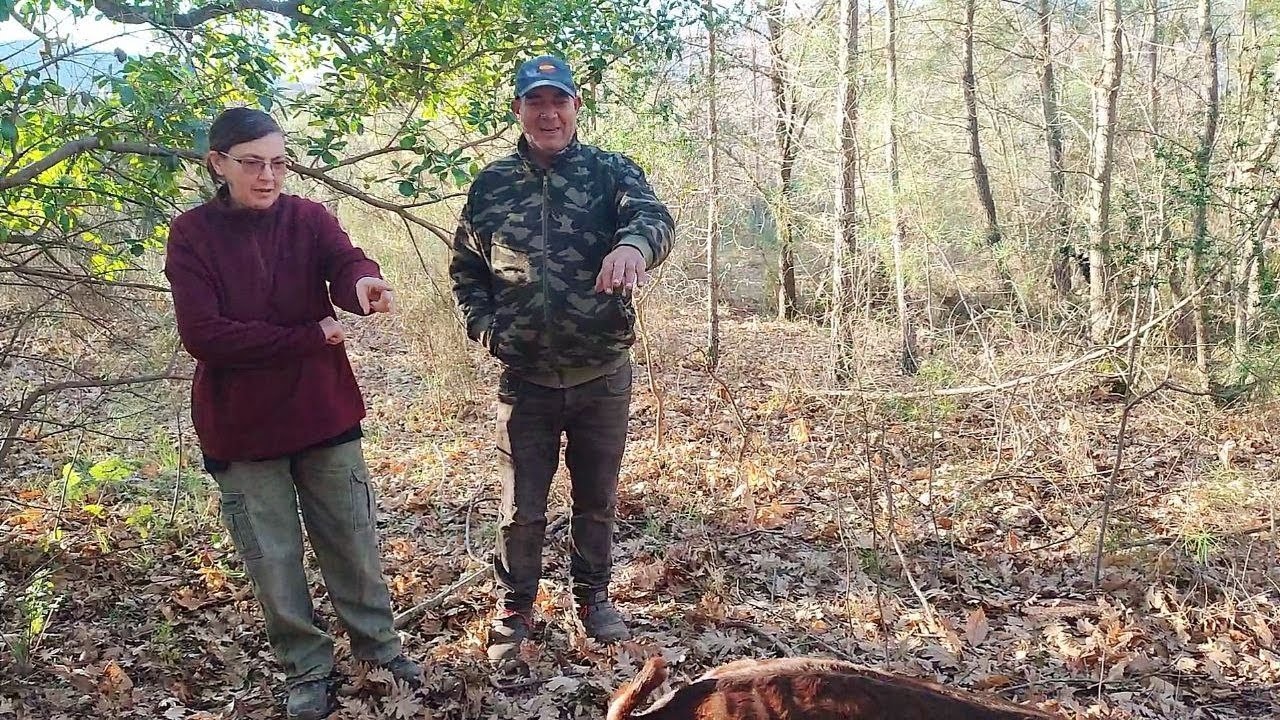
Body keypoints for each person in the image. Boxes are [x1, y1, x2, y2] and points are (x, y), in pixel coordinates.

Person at [164, 107, 422, 720]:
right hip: (241, 430)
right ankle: (306, 669)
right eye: (252, 163)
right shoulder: (192, 234)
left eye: (278, 162)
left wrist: (364, 282)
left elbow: (345, 262)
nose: (268, 175)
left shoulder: (309, 218)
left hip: (323, 415)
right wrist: (309, 336)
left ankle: (380, 651)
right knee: (272, 559)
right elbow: (206, 336)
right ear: (217, 164)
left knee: (353, 542)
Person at [449, 55, 676, 668]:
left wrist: (632, 245)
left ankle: (594, 598)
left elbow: (655, 218)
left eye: (559, 101)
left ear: (576, 106)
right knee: (521, 505)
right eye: (534, 102)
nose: (548, 113)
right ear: (518, 110)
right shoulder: (491, 185)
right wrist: (488, 330)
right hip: (524, 380)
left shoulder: (610, 172)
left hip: (601, 372)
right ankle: (515, 607)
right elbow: (466, 270)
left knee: (595, 497)